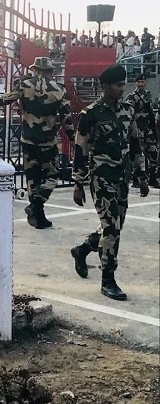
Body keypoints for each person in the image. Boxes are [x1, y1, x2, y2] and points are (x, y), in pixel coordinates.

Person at [70, 65, 149, 301]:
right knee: (112, 228)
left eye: (123, 84)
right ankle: (108, 280)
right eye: (117, 85)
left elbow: (135, 143)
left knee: (113, 227)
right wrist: (78, 183)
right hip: (101, 178)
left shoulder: (128, 110)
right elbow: (80, 149)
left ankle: (82, 249)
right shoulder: (90, 114)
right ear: (105, 87)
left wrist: (142, 175)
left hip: (122, 177)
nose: (121, 89)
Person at [0, 56, 75, 228]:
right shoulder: (59, 90)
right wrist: (73, 138)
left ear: (35, 70)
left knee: (33, 178)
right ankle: (37, 205)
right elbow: (66, 118)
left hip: (28, 139)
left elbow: (3, 100)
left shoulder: (25, 85)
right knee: (52, 175)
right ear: (51, 71)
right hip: (47, 141)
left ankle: (38, 216)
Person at [125, 74, 158, 188]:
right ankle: (137, 179)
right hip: (137, 130)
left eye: (142, 82)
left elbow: (151, 114)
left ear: (145, 83)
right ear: (136, 84)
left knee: (153, 152)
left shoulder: (148, 94)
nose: (140, 84)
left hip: (148, 129)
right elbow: (129, 114)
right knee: (138, 155)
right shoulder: (131, 97)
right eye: (138, 82)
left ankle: (153, 178)